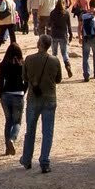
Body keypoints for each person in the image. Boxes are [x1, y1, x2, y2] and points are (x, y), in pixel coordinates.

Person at [19, 35, 64, 172]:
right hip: (49, 98)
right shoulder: (54, 60)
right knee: (47, 132)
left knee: (30, 131)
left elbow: (24, 78)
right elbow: (58, 79)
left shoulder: (29, 59)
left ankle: (27, 159)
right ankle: (44, 161)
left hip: (34, 98)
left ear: (39, 44)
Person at [0, 41, 26, 155]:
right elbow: (27, 80)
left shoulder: (3, 64)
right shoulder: (22, 64)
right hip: (18, 94)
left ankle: (7, 147)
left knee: (8, 121)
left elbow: (0, 82)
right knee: (17, 121)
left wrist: (1, 95)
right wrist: (24, 90)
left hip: (6, 94)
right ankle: (12, 139)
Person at [47, 0, 74, 77]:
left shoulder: (52, 13)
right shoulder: (66, 13)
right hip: (63, 35)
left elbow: (49, 25)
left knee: (54, 54)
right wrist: (71, 35)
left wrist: (48, 32)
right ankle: (68, 66)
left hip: (54, 35)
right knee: (64, 53)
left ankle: (54, 71)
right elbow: (69, 25)